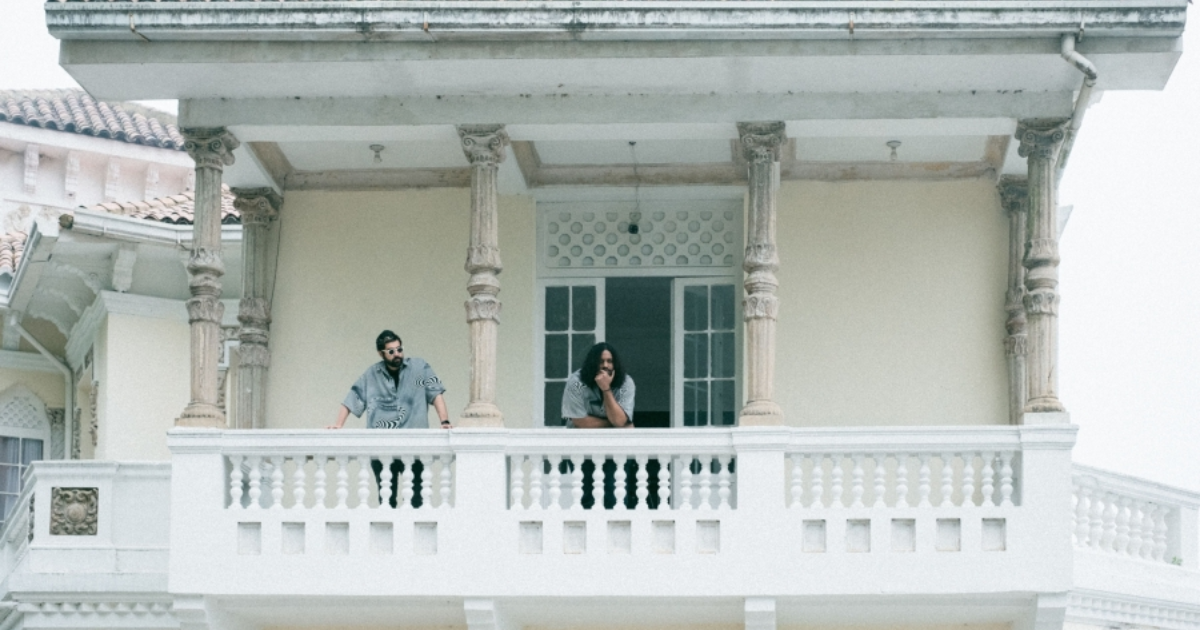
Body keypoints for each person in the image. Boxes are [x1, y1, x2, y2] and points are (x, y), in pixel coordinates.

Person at [328, 330, 451, 507]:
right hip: (382, 448)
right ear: (381, 353)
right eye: (391, 351)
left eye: (399, 349)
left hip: (415, 447)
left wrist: (444, 421)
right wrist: (338, 425)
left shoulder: (418, 368)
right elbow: (353, 397)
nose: (397, 354)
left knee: (417, 500)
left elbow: (435, 394)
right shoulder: (372, 375)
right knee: (386, 500)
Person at [561, 342, 635, 428]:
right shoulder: (576, 382)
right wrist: (613, 424)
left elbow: (619, 421)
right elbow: (580, 421)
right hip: (581, 437)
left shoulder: (625, 382)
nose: (605, 365)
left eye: (609, 361)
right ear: (592, 363)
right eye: (600, 361)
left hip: (613, 438)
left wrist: (606, 389)